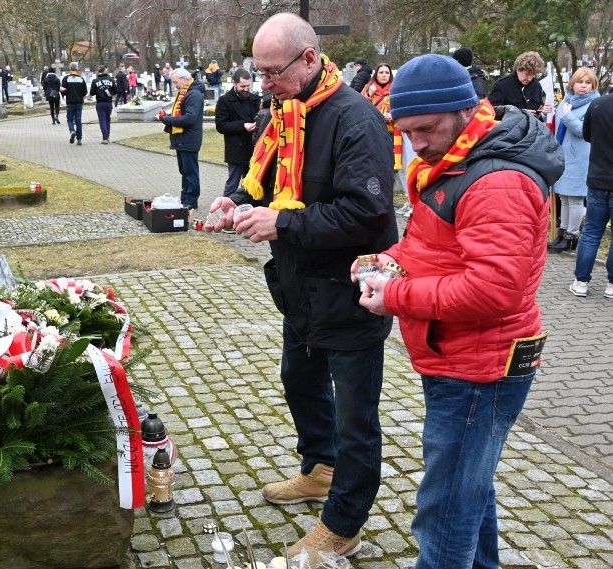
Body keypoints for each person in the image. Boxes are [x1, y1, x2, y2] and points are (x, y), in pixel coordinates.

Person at [356, 54, 564, 569]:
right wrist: (392, 259)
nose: (417, 143)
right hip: (461, 356)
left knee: (447, 503)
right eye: (406, 133)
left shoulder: (495, 181)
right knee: (470, 489)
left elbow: (495, 290)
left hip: (480, 366)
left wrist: (395, 296)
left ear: (466, 109)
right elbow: (433, 244)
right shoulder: (458, 161)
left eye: (426, 129)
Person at [205, 13, 397, 564]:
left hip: (350, 291)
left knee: (355, 418)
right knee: (299, 379)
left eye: (272, 72)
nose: (263, 83)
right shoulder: (285, 113)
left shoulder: (356, 120)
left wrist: (281, 223)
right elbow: (258, 181)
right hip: (300, 288)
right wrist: (236, 203)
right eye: (258, 72)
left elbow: (368, 214)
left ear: (309, 59)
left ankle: (343, 523)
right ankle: (320, 468)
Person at [570, 80, 613, 298]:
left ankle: (581, 282)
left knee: (591, 232)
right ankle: (611, 285)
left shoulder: (597, 105)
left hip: (597, 176)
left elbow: (587, 135)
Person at [550, 68, 599, 253]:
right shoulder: (567, 100)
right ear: (573, 84)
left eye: (588, 83)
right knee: (563, 196)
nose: (584, 86)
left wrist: (568, 115)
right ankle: (562, 233)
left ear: (593, 86)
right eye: (580, 82)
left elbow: (583, 130)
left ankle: (572, 236)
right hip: (564, 157)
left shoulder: (594, 104)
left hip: (580, 158)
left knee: (576, 199)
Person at [157, 67, 204, 211]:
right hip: (182, 139)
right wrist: (168, 118)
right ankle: (185, 198)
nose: (174, 85)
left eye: (176, 82)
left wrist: (168, 120)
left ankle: (191, 200)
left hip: (188, 139)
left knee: (190, 171)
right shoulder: (185, 93)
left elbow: (189, 118)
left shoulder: (193, 94)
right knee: (184, 171)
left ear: (184, 79)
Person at [215, 68, 260, 198]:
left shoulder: (254, 99)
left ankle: (246, 210)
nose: (246, 89)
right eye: (242, 86)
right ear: (234, 83)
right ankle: (224, 209)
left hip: (253, 148)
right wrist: (242, 125)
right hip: (236, 149)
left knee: (250, 185)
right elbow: (221, 125)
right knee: (232, 184)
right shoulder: (225, 101)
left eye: (248, 86)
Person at [361, 63, 402, 172]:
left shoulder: (396, 89)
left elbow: (402, 107)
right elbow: (361, 108)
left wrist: (394, 115)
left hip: (392, 132)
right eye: (381, 72)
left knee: (390, 160)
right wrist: (369, 95)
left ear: (390, 75)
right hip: (374, 131)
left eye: (387, 72)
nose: (384, 75)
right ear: (376, 75)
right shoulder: (368, 88)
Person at [488, 51, 552, 119]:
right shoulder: (502, 84)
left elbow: (539, 108)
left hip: (531, 127)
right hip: (509, 128)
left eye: (533, 75)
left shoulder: (536, 86)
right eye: (527, 74)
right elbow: (490, 111)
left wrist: (541, 112)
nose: (530, 79)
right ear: (518, 69)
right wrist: (518, 113)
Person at [61, 61, 88, 146]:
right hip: (79, 102)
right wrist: (80, 95)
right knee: (78, 120)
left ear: (70, 68)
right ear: (77, 68)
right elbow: (85, 92)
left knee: (69, 119)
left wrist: (64, 95)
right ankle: (79, 139)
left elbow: (62, 90)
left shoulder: (66, 78)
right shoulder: (81, 79)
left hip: (70, 102)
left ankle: (72, 131)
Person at [90, 65, 116, 144]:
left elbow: (92, 92)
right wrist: (109, 92)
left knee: (102, 120)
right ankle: (107, 136)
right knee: (108, 119)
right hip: (108, 103)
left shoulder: (95, 81)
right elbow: (115, 91)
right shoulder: (111, 80)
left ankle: (105, 138)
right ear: (105, 70)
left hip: (100, 103)